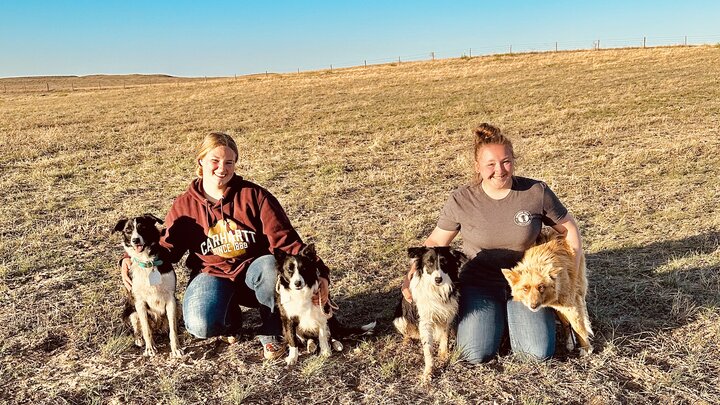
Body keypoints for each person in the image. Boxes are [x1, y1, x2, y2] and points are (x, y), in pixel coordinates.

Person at [121, 132, 329, 360]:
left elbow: (287, 242)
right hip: (212, 274)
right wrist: (129, 258)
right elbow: (166, 249)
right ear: (200, 161)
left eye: (229, 162)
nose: (222, 168)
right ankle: (231, 320)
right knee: (200, 325)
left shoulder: (255, 196)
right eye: (215, 161)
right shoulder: (185, 205)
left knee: (271, 266)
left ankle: (271, 331)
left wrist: (321, 274)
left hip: (255, 274)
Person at [401, 123, 583, 363]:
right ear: (477, 167)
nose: (499, 170)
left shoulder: (536, 192)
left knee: (536, 354)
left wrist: (574, 272)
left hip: (526, 283)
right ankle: (501, 321)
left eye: (506, 162)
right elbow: (435, 241)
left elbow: (569, 228)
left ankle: (519, 319)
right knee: (474, 354)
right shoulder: (461, 199)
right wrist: (410, 277)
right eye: (490, 164)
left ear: (513, 161)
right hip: (479, 283)